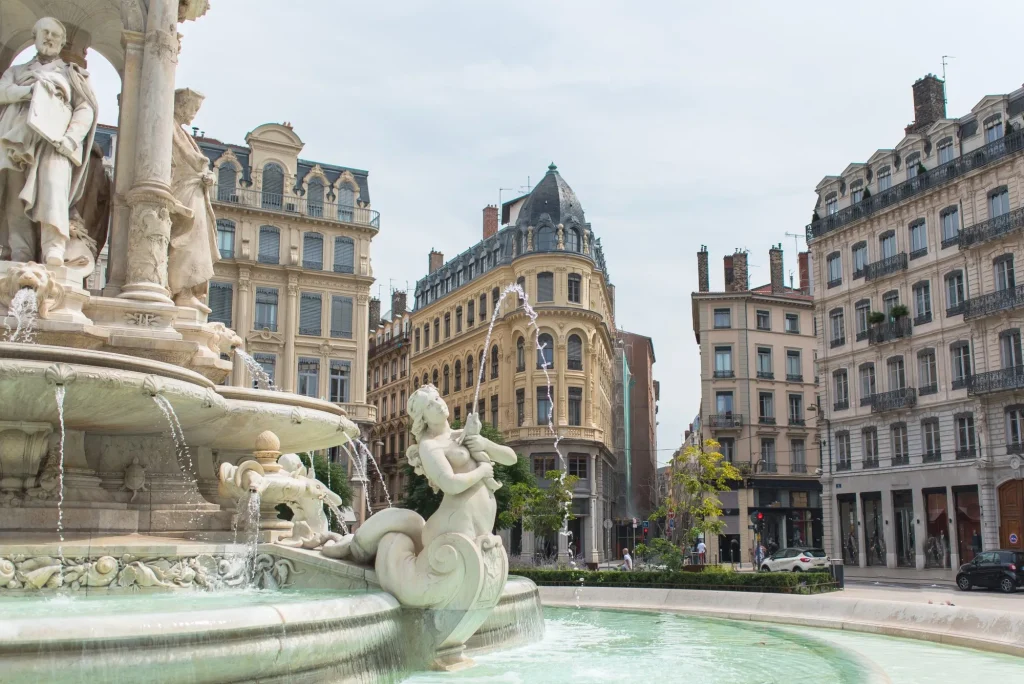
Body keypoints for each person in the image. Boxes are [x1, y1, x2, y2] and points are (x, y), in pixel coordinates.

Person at [0, 17, 98, 266]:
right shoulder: (16, 71)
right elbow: (1, 92)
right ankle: (19, 253)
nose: (49, 38)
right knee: (14, 200)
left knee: (53, 190)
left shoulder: (71, 73)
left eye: (55, 34)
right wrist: (29, 91)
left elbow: (85, 107)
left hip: (54, 141)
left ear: (63, 41)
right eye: (44, 32)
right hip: (15, 141)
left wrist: (72, 138)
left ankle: (53, 248)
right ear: (34, 37)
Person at [167, 88, 219, 310]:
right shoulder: (167, 126)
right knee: (187, 241)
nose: (194, 114)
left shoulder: (182, 132)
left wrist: (207, 177)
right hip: (183, 192)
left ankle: (187, 290)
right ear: (181, 105)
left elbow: (197, 163)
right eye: (193, 108)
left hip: (194, 191)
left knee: (197, 242)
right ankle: (182, 290)